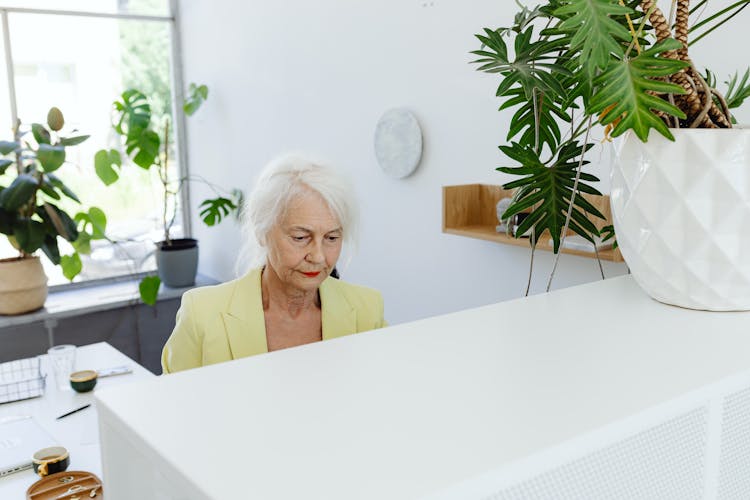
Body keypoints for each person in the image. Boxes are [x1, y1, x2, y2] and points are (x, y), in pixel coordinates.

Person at [161, 154, 386, 373]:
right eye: (300, 237)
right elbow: (172, 405)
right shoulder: (202, 314)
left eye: (332, 238)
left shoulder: (367, 309)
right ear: (262, 232)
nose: (318, 256)